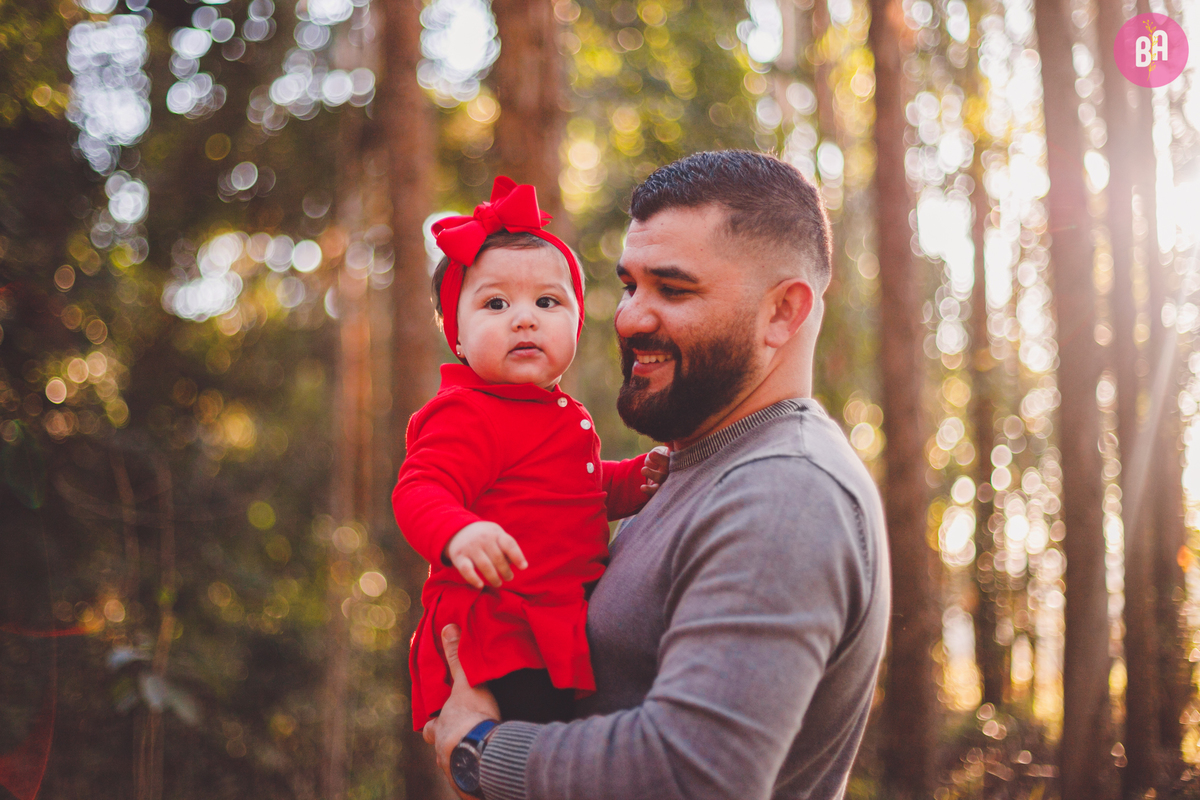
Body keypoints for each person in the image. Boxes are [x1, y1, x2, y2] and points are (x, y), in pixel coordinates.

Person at [422, 150, 891, 800]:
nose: (628, 318)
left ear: (783, 312)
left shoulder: (786, 490)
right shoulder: (690, 470)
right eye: (630, 285)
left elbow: (691, 775)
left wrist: (480, 752)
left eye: (673, 289)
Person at [393, 176, 670, 731]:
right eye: (495, 303)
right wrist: (458, 532)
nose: (524, 317)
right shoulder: (467, 411)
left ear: (575, 320)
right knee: (536, 749)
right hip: (501, 629)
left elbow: (574, 495)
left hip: (548, 624)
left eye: (547, 301)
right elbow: (420, 488)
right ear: (459, 337)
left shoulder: (557, 413)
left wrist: (636, 480)